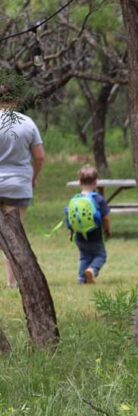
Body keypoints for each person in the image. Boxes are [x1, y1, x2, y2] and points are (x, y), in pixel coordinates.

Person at [0, 104, 45, 288]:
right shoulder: (27, 122)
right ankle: (13, 282)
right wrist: (32, 179)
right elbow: (40, 156)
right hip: (19, 187)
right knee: (14, 235)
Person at [65, 165, 111, 284]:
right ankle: (92, 270)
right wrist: (107, 231)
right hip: (95, 236)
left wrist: (71, 232)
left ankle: (81, 278)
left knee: (84, 257)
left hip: (79, 236)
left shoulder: (75, 200)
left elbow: (70, 217)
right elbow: (105, 218)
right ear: (96, 183)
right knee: (101, 255)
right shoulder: (99, 199)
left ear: (79, 182)